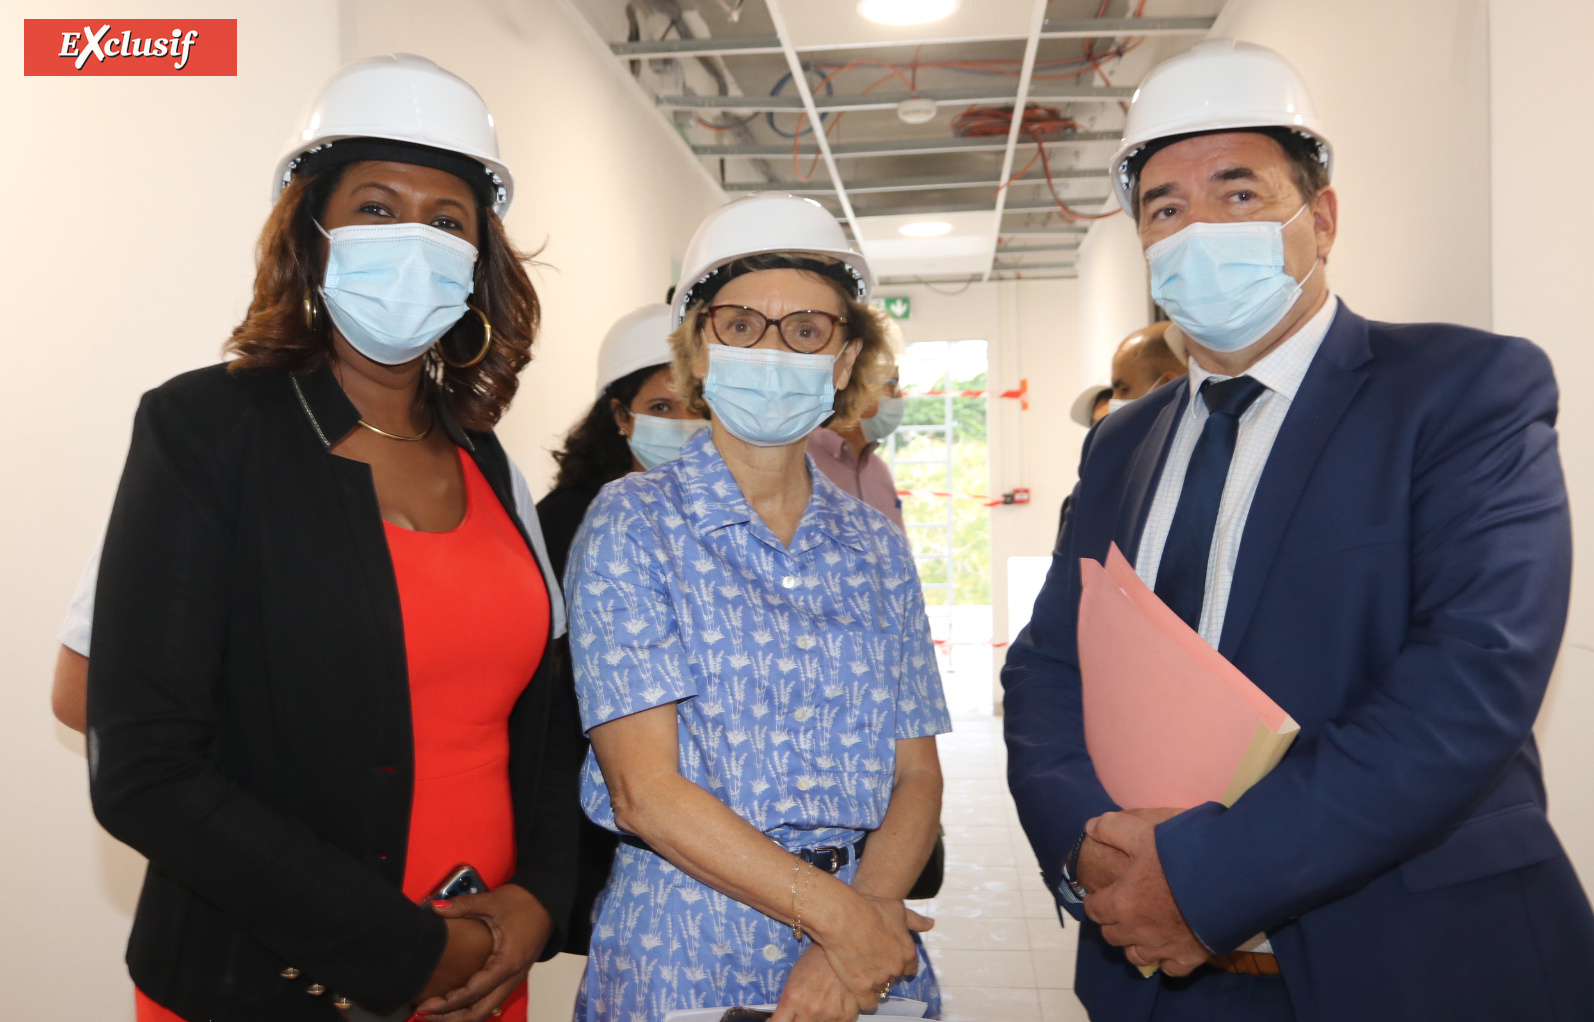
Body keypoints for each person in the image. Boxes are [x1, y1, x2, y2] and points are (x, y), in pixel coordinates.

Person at [1003, 38, 1594, 1022]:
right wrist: (1087, 844)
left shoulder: (1462, 392)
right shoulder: (1120, 443)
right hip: (1159, 976)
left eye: (1238, 194)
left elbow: (1469, 684)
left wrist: (1200, 877)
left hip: (1412, 963)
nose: (1198, 229)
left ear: (1319, 219)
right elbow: (1049, 665)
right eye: (1165, 209)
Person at [83, 55, 584, 1022]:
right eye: (376, 208)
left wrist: (536, 903)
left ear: (480, 260)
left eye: (448, 222)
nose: (414, 240)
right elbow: (146, 768)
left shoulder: (485, 458)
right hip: (275, 985)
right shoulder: (208, 430)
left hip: (485, 976)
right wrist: (409, 951)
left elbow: (546, 720)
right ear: (309, 232)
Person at [566, 193, 951, 1022]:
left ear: (845, 361)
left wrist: (867, 915)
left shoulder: (874, 545)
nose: (771, 351)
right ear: (699, 350)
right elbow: (645, 791)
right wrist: (844, 924)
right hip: (687, 935)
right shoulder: (634, 523)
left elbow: (916, 771)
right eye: (741, 325)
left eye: (806, 331)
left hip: (865, 935)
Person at [534, 303, 709, 955]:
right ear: (620, 416)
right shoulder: (570, 521)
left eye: (698, 406)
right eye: (662, 407)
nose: (684, 424)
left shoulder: (735, 516)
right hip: (603, 804)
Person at [1061, 323, 1190, 535]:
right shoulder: (1102, 479)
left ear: (1167, 384)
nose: (1115, 405)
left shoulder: (1208, 464)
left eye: (1123, 389)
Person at [807, 356, 907, 533]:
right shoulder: (802, 461)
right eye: (892, 384)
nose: (898, 398)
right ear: (857, 389)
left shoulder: (878, 470)